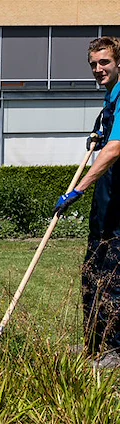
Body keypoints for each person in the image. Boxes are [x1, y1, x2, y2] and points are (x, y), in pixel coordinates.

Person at [54, 36, 120, 367]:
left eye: (104, 62)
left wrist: (77, 189)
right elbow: (106, 139)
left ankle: (113, 351)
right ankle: (93, 346)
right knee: (92, 271)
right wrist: (98, 135)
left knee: (112, 277)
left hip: (118, 203)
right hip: (106, 201)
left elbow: (116, 148)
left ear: (118, 62)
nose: (98, 69)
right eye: (93, 64)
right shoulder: (110, 101)